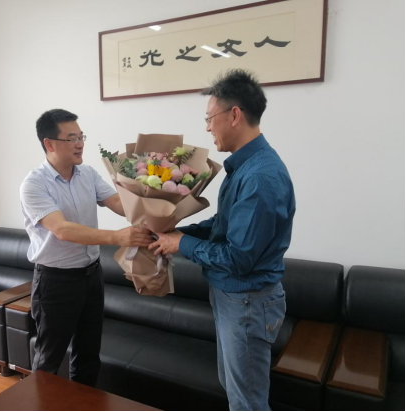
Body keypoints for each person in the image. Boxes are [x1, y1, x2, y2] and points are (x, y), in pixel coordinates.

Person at [150, 70, 296, 411]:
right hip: (235, 299)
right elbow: (224, 224)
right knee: (234, 390)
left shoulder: (260, 176)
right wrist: (178, 232)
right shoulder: (245, 167)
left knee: (247, 403)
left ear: (234, 115)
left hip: (247, 301)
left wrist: (180, 244)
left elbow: (238, 257)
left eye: (209, 118)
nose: (207, 128)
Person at [20, 109, 153, 387]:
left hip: (92, 276)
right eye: (72, 139)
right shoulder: (34, 184)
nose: (80, 144)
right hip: (55, 282)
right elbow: (62, 229)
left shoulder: (88, 174)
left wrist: (154, 201)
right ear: (49, 144)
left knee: (89, 355)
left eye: (81, 137)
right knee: (48, 361)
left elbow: (118, 204)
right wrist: (118, 237)